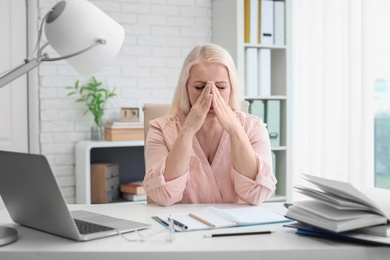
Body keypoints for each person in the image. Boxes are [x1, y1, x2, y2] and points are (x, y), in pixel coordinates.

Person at [143, 44, 277, 206]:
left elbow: (258, 194)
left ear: (231, 89)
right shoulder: (160, 130)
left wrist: (235, 130)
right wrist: (187, 131)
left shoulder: (254, 128)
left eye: (220, 87)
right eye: (200, 87)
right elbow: (162, 196)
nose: (211, 95)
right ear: (185, 88)